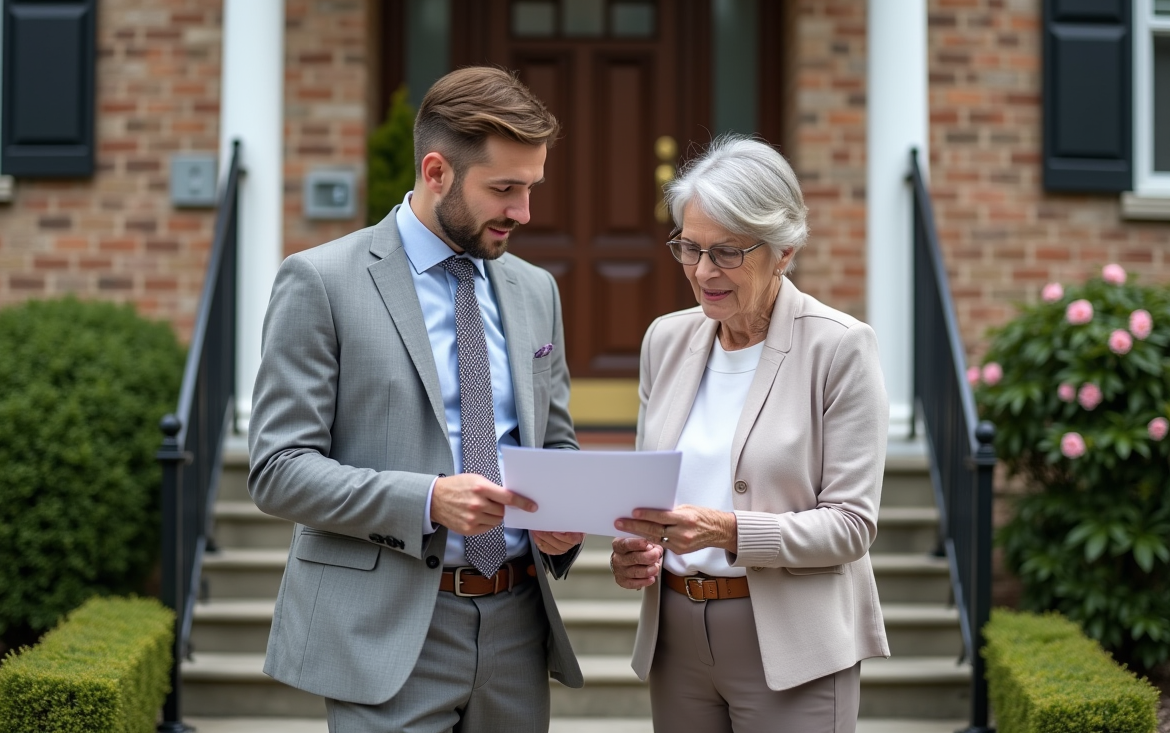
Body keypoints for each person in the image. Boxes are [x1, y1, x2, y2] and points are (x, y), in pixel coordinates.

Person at [248, 66, 585, 732]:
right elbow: (277, 470)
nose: (523, 211)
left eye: (530, 187)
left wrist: (565, 521)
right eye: (505, 189)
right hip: (387, 631)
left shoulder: (536, 290)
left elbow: (557, 444)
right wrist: (428, 500)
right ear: (437, 173)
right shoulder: (321, 282)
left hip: (518, 627)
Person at [610, 135, 890, 733]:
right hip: (676, 637)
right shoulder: (665, 340)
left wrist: (726, 530)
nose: (703, 271)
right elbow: (649, 491)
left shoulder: (839, 347)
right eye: (689, 248)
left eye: (727, 253)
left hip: (792, 644)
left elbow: (851, 525)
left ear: (784, 251)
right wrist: (637, 548)